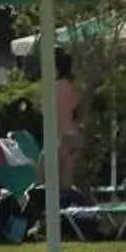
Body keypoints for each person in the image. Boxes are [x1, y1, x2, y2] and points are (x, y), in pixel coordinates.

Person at [52, 48, 81, 186]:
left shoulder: (54, 87)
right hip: (72, 133)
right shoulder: (74, 86)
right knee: (68, 177)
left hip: (60, 137)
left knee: (58, 180)